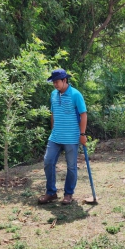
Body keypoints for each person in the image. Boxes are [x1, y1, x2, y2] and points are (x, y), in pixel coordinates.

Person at [38, 69, 87, 205]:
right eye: (53, 82)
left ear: (65, 80)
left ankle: (68, 194)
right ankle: (51, 192)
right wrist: (53, 129)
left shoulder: (76, 94)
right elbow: (53, 113)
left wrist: (82, 134)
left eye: (57, 82)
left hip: (71, 138)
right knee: (48, 161)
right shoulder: (53, 94)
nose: (55, 84)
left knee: (71, 167)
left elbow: (83, 114)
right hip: (55, 137)